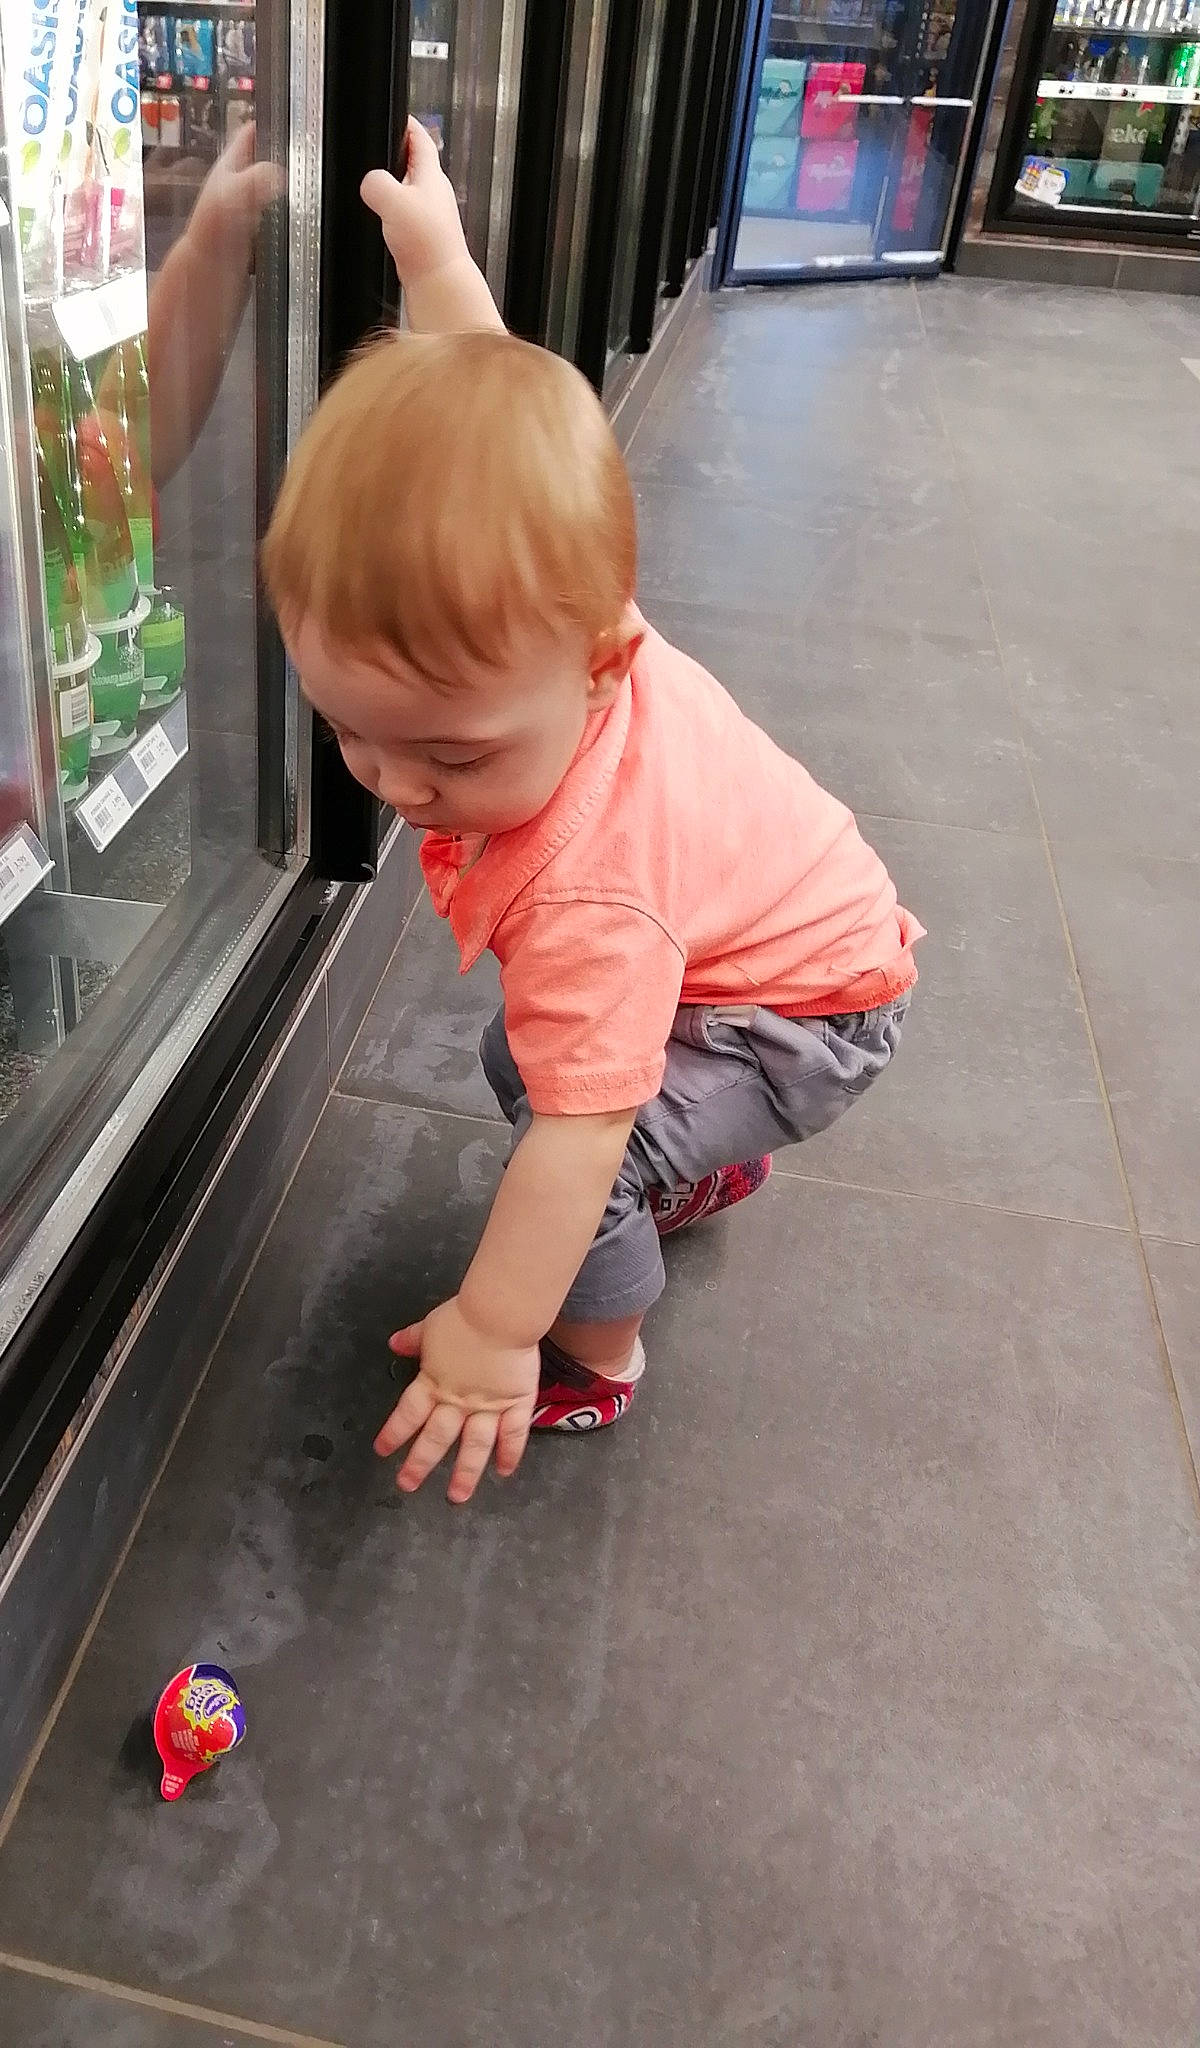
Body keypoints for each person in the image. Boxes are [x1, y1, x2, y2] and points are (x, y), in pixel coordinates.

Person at [260, 120, 922, 1507]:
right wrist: (435, 261)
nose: (392, 783)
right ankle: (707, 1167)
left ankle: (599, 1348)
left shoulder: (588, 900)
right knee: (540, 1058)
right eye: (348, 733)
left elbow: (573, 1140)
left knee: (572, 1129)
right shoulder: (559, 609)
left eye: (445, 750)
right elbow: (495, 422)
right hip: (783, 946)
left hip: (807, 1017)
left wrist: (494, 1332)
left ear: (601, 664)